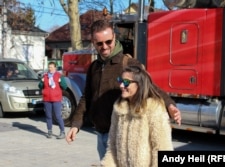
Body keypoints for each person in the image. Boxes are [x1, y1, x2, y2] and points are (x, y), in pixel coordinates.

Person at [66, 19, 181, 160]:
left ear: (114, 37)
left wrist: (170, 105)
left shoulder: (128, 64)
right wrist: (75, 125)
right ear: (93, 42)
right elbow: (86, 98)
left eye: (108, 41)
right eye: (99, 43)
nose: (105, 47)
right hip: (100, 135)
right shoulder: (94, 67)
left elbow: (150, 87)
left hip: (121, 136)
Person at [101, 65, 173, 166]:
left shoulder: (154, 108)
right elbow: (112, 146)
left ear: (139, 84)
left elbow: (162, 147)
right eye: (120, 80)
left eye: (126, 82)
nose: (121, 85)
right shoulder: (118, 108)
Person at [38, 62, 67, 139]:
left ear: (55, 68)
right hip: (47, 99)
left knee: (58, 116)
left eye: (51, 67)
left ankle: (62, 132)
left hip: (56, 98)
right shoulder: (45, 76)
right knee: (48, 116)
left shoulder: (59, 76)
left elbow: (65, 87)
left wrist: (61, 82)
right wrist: (42, 81)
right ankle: (49, 131)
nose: (50, 69)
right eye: (49, 67)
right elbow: (40, 86)